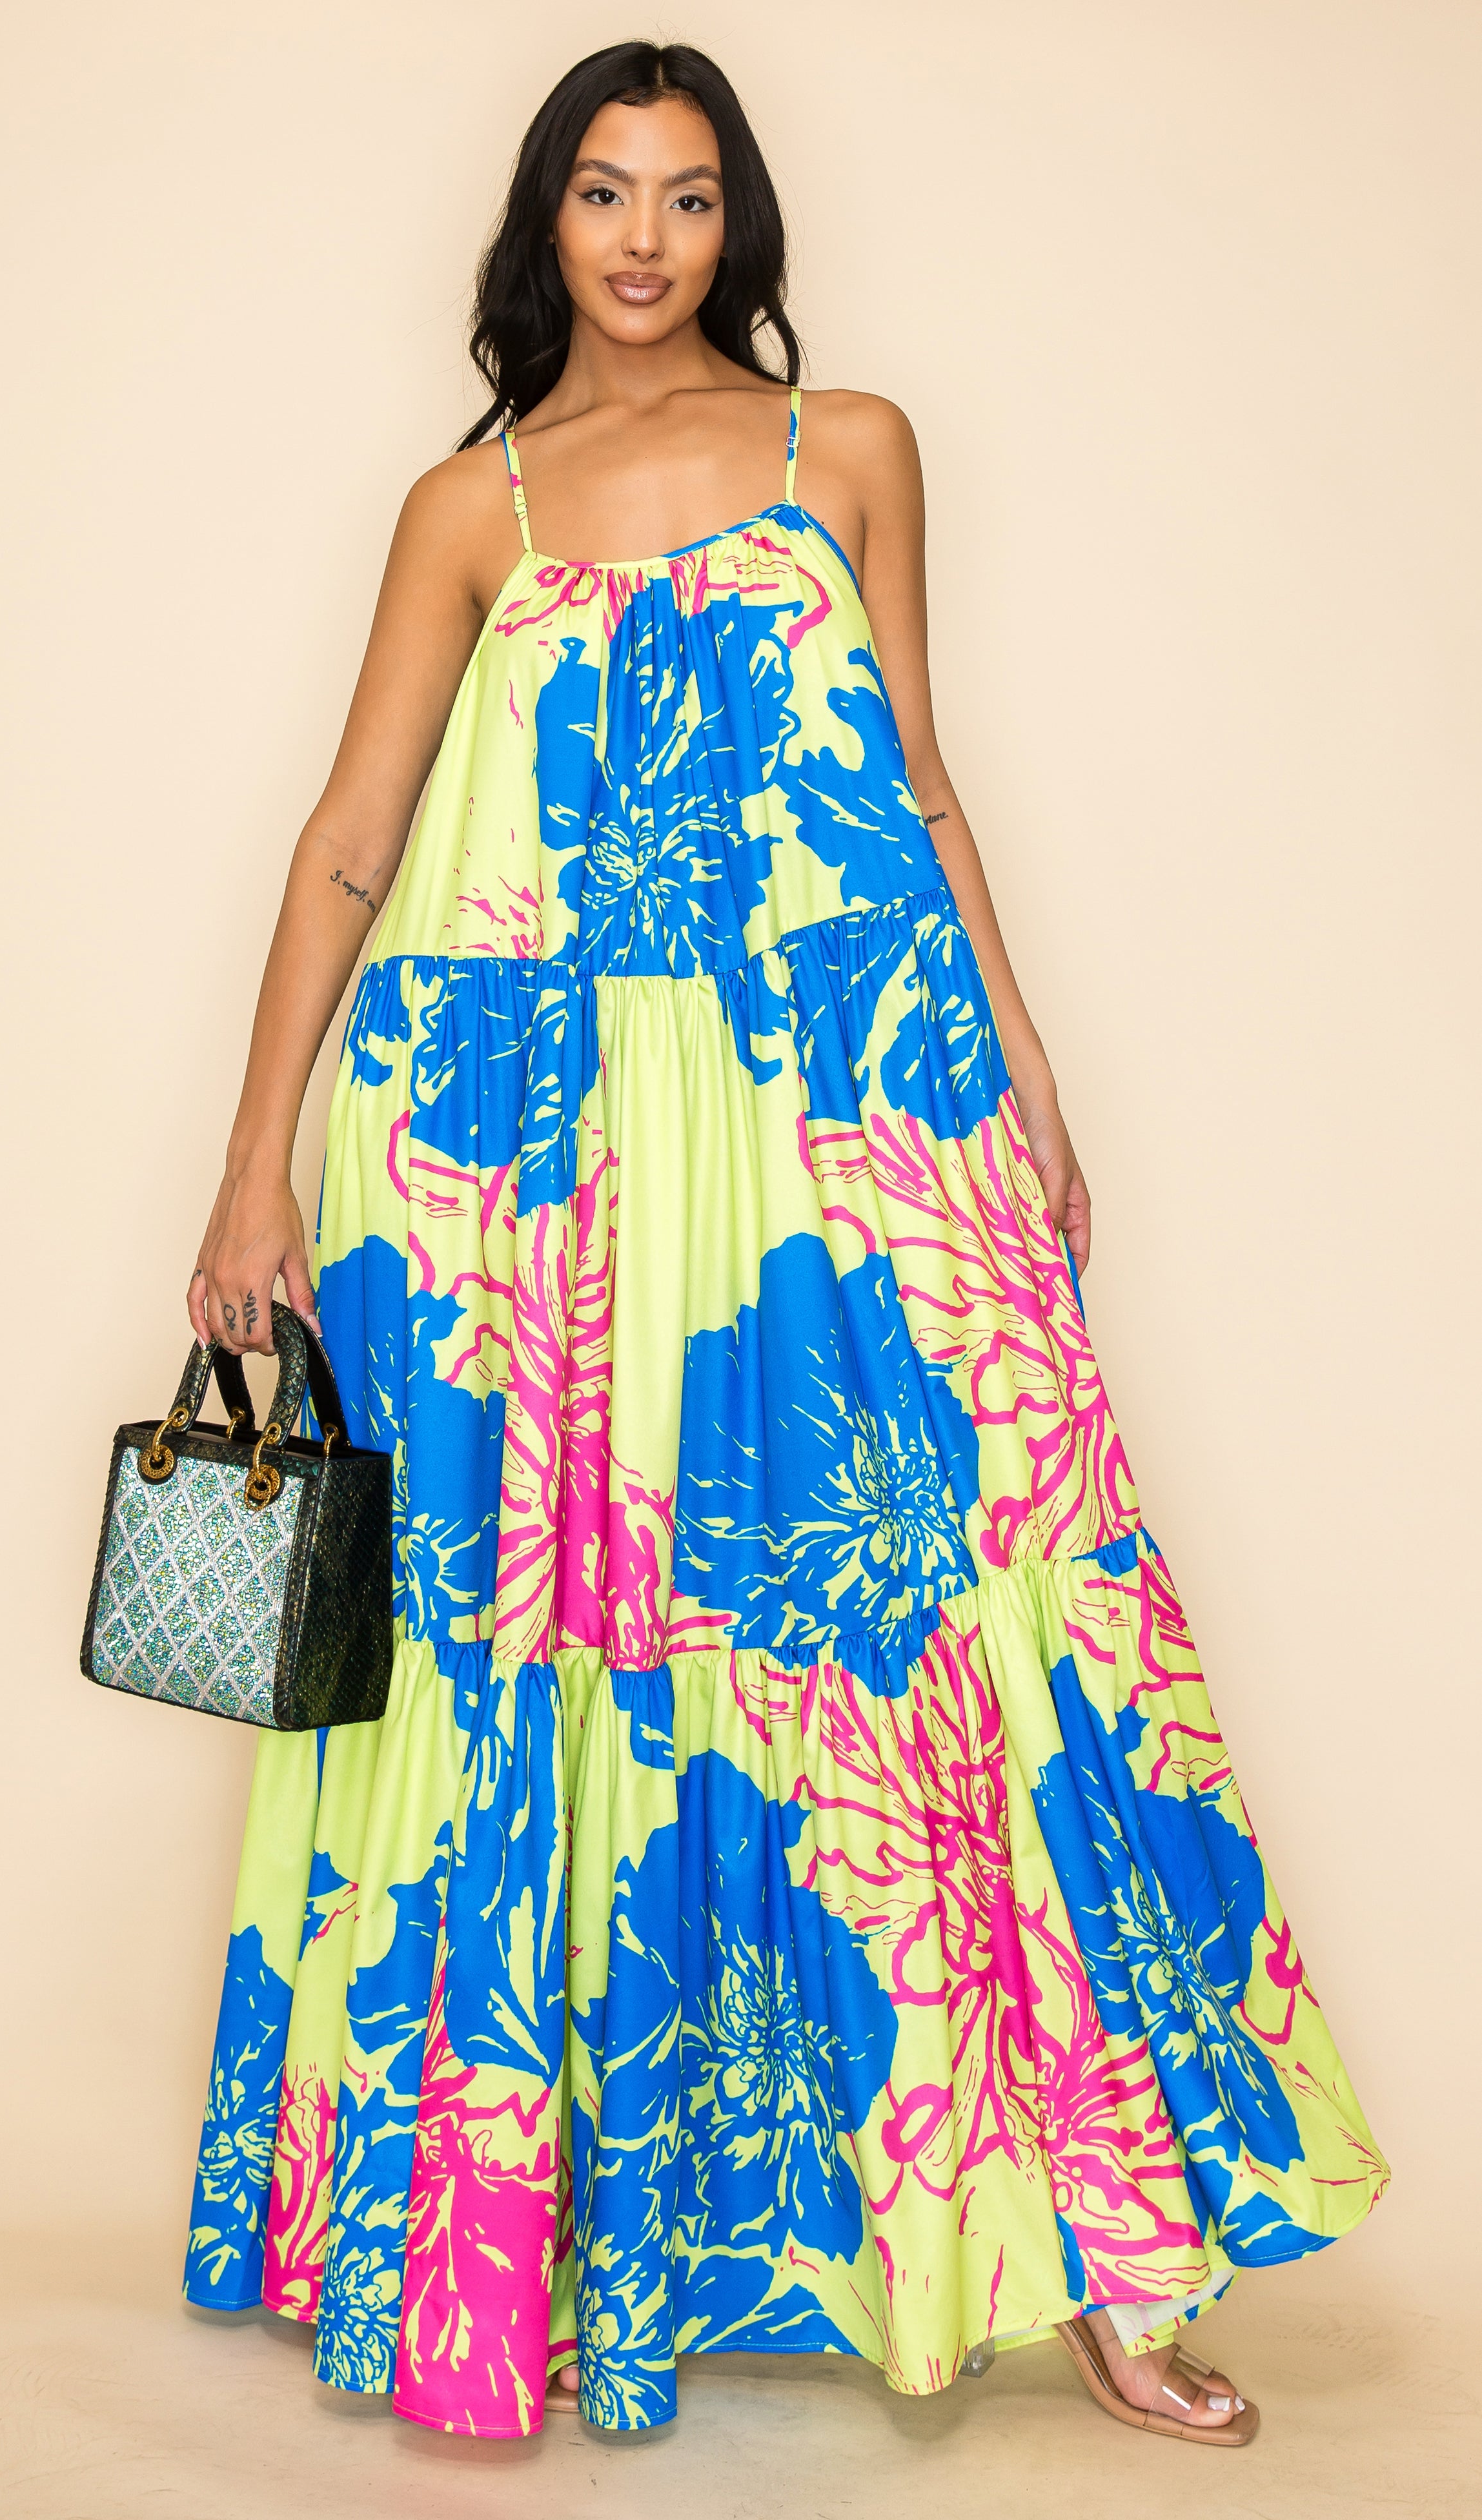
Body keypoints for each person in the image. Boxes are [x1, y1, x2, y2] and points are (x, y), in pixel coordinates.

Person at [179, 38, 1386, 2444]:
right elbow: (351, 826)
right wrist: (249, 1157)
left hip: (838, 1118)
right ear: (546, 224)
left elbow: (912, 772)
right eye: (606, 195)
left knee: (962, 1632)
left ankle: (1100, 2267)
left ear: (740, 228)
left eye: (690, 197)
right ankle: (511, 2246)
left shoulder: (852, 451)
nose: (645, 239)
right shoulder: (467, 506)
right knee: (541, 1660)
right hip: (519, 1166)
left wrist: (1022, 1055)